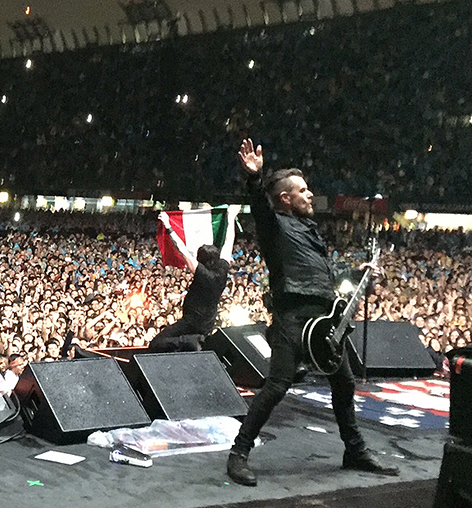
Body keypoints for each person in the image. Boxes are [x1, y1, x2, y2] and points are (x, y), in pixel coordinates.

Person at [227, 138, 399, 486]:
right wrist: (254, 179)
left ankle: (354, 450)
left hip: (325, 319)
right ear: (285, 198)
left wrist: (357, 275)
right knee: (276, 386)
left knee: (345, 383)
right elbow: (260, 206)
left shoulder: (310, 231)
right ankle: (238, 454)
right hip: (293, 319)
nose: (310, 195)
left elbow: (328, 282)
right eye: (302, 190)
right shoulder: (275, 226)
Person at [148, 205, 240, 352]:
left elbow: (182, 249)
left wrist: (168, 225)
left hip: (191, 322)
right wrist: (231, 218)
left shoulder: (203, 273)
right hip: (208, 322)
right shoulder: (222, 269)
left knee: (157, 343)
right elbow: (229, 241)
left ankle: (190, 342)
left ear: (201, 260)